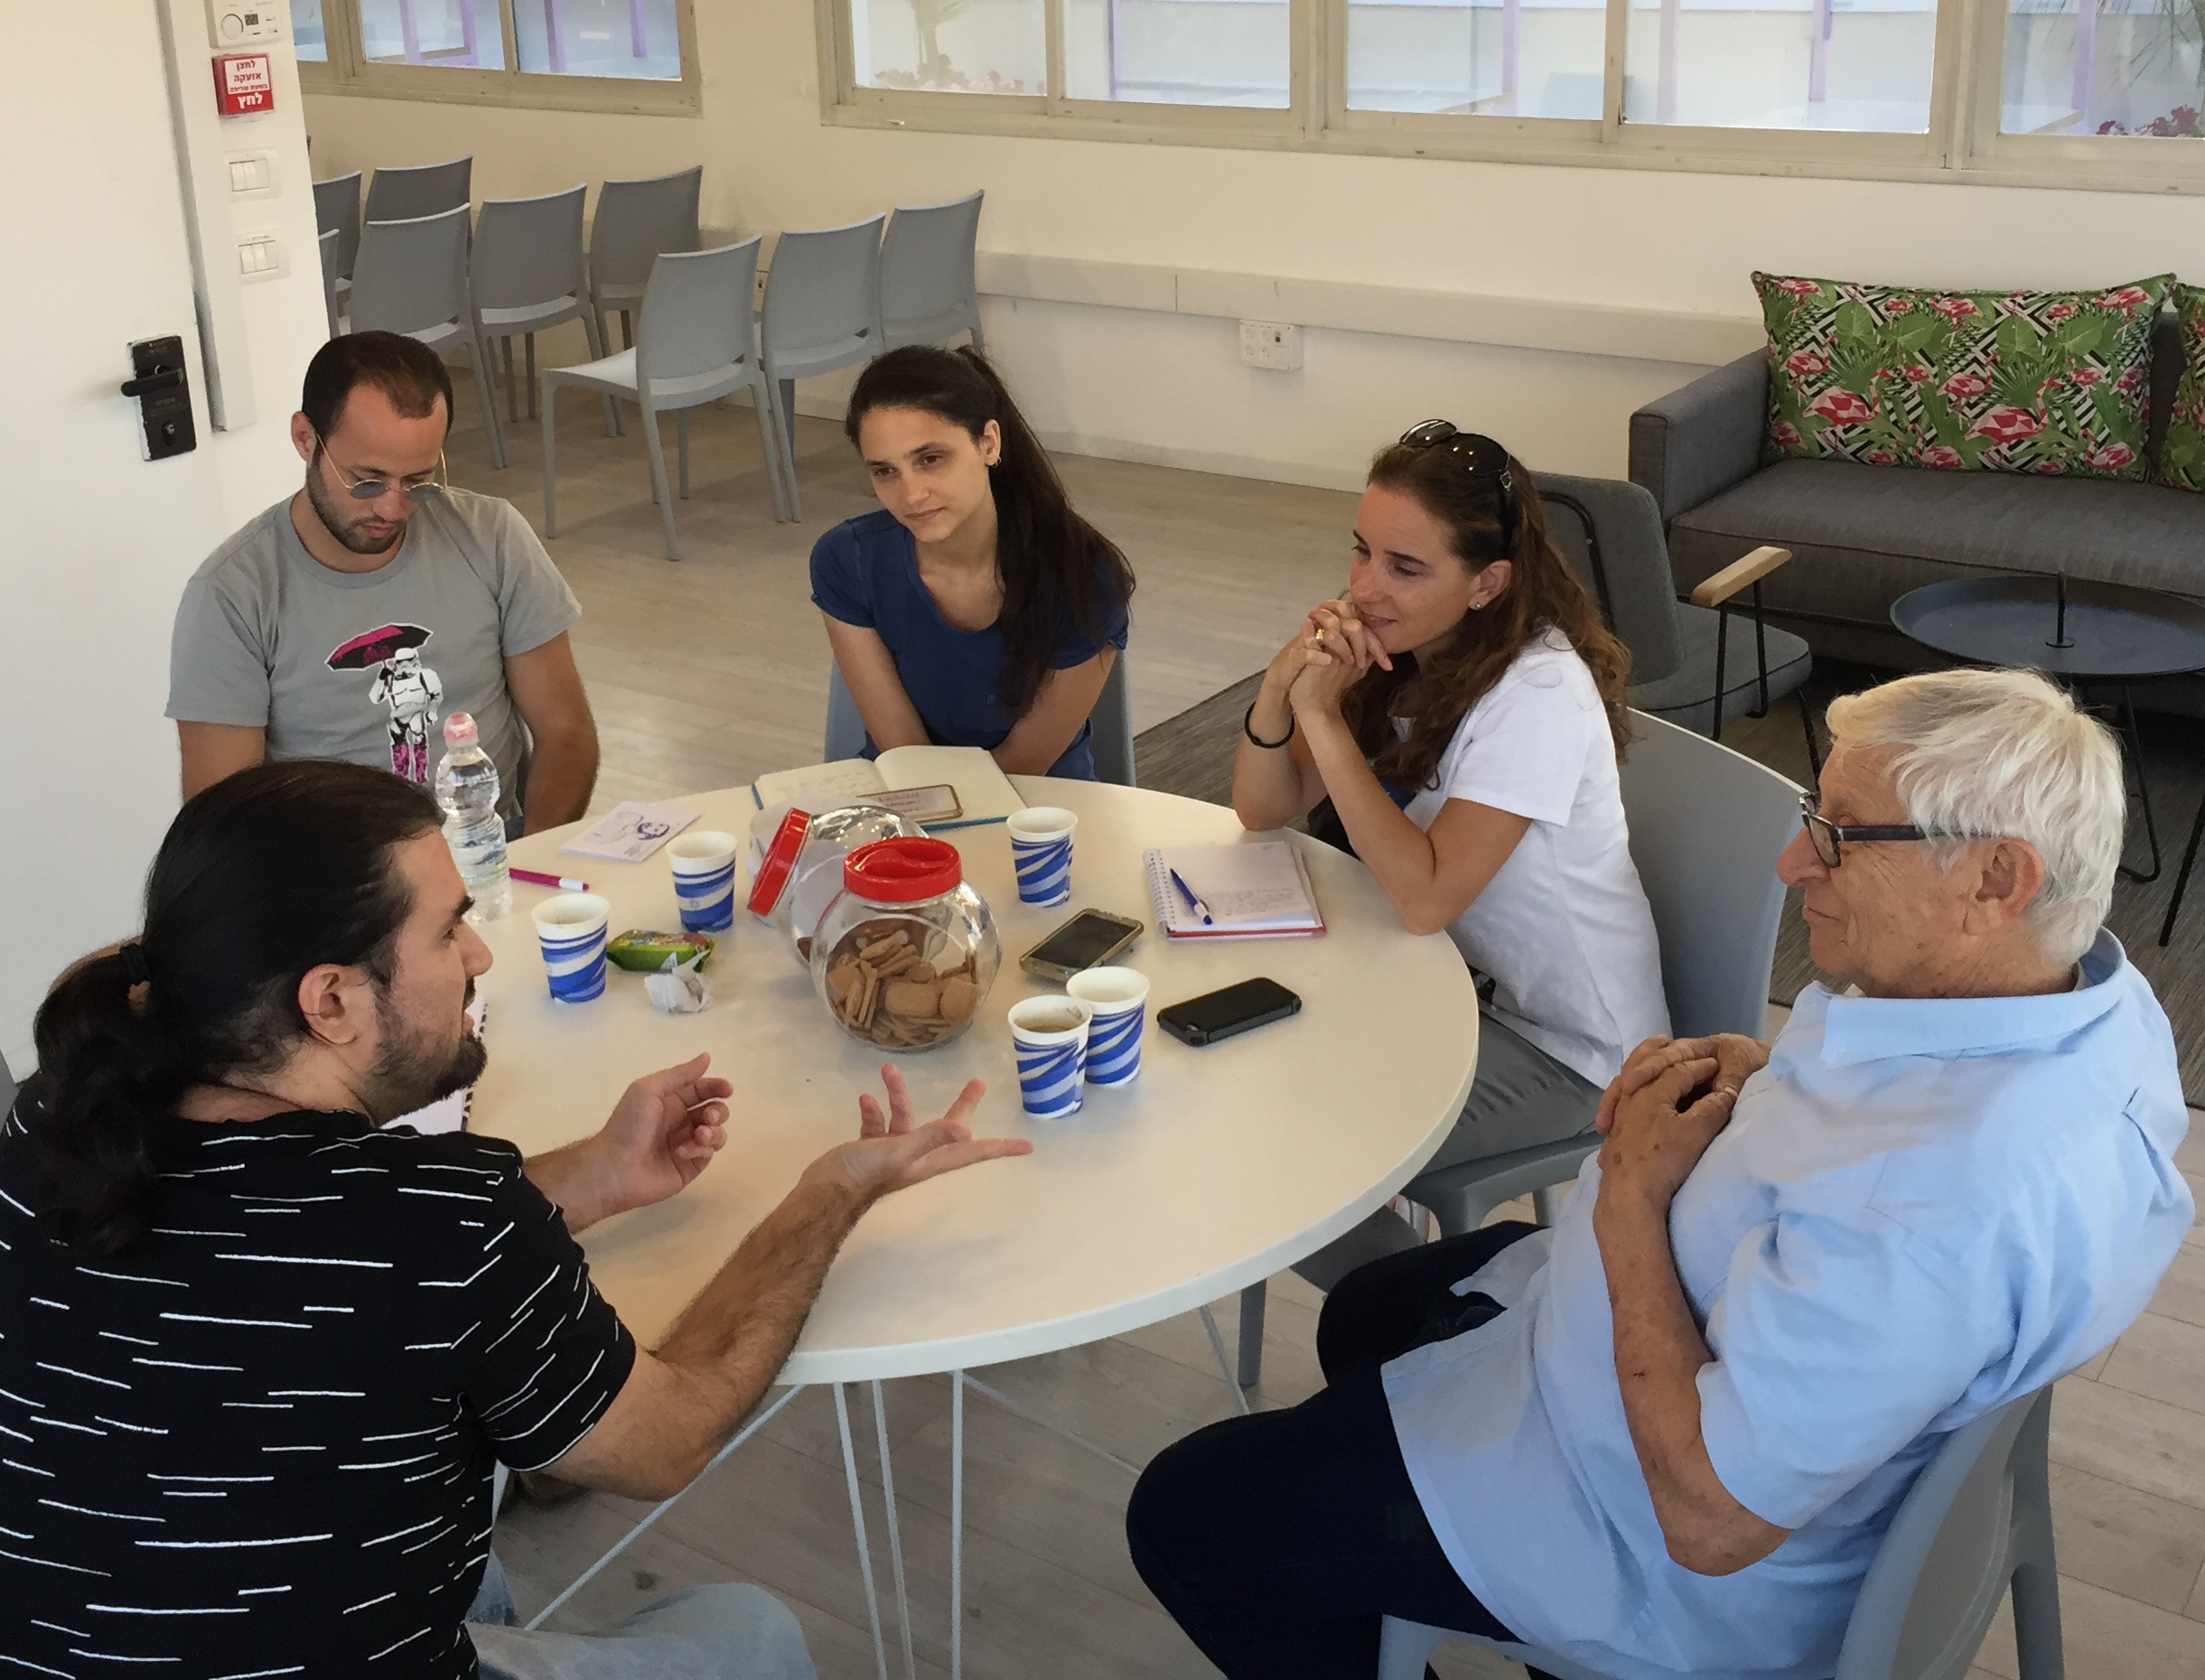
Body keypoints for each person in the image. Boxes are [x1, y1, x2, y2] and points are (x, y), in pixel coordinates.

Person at [1130, 668, 2192, 1680]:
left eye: (1838, 835)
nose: (1794, 863)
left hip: (1644, 1540)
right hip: (1683, 1345)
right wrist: (1767, 1075)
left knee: (1185, 1518)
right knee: (1367, 1309)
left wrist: (1632, 1195)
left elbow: (1709, 1522)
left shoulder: (1928, 1209)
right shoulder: (2086, 1002)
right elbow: (1897, 1165)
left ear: (1996, 879)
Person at [0, 761, 1029, 1678]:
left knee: (470, 1558)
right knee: (747, 1630)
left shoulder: (54, 1122)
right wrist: (829, 1194)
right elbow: (667, 1439)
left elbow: (349, 1261)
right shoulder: (445, 1223)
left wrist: (596, 1177)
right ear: (331, 1001)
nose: (480, 957)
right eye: (448, 929)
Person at [1234, 422, 1667, 1181]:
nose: (1365, 588)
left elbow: (1425, 899)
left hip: (1570, 1050)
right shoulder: (1405, 647)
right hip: (1448, 989)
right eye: (1362, 550)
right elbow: (1264, 808)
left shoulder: (1538, 692)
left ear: (1487, 584)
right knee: (1250, 1079)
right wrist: (1279, 689)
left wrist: (1323, 717)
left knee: (1304, 1153)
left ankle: (1391, 1262)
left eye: (1405, 567)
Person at [168, 331, 599, 831]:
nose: (392, 509)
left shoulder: (491, 536)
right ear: (305, 439)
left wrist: (528, 864)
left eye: (418, 481)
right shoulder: (233, 595)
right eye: (366, 480)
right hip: (339, 874)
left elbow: (566, 733)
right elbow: (222, 825)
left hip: (490, 851)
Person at [810, 345, 1135, 779]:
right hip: (909, 794)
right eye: (885, 471)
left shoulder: (1084, 575)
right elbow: (903, 751)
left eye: (930, 459)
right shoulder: (846, 561)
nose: (911, 495)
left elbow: (1025, 763)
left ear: (988, 443)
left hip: (1041, 807)